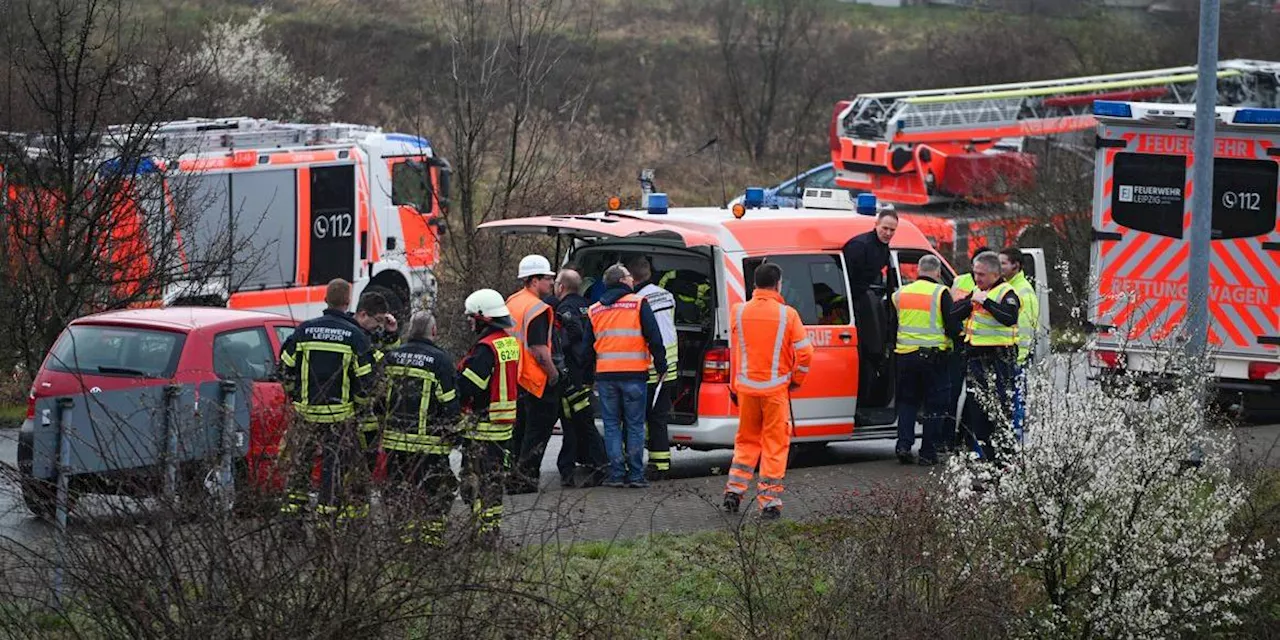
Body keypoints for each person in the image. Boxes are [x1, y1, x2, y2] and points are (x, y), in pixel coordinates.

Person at [277, 278, 376, 522]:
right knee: (332, 472)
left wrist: (295, 396)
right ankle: (326, 525)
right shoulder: (354, 336)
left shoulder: (303, 330)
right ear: (347, 302)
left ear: (325, 300)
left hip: (304, 415)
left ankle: (291, 524)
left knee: (299, 470)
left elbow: (284, 368)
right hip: (339, 418)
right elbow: (366, 382)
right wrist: (360, 409)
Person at [722, 262, 814, 520]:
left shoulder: (738, 312)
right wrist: (797, 379)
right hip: (775, 392)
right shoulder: (788, 315)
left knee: (746, 440)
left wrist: (735, 384)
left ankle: (734, 491)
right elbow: (806, 352)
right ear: (778, 284)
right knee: (774, 445)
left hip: (747, 390)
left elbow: (737, 350)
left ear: (754, 284)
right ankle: (769, 502)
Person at [582, 264, 667, 488]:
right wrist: (661, 365)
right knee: (635, 425)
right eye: (629, 277)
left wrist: (585, 377)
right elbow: (654, 338)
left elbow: (586, 350)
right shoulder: (638, 304)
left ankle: (617, 474)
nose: (632, 280)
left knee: (611, 425)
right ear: (621, 281)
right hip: (634, 375)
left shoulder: (594, 310)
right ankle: (636, 476)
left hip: (606, 377)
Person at [378, 311, 458, 545]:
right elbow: (449, 402)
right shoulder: (441, 361)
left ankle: (403, 540)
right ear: (433, 331)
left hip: (395, 442)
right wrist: (453, 432)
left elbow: (379, 397)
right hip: (430, 445)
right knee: (436, 493)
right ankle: (430, 542)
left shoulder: (393, 357)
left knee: (400, 491)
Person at [456, 289, 522, 546]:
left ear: (483, 318)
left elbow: (470, 387)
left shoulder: (484, 349)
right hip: (502, 425)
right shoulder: (507, 342)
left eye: (472, 318)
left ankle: (482, 532)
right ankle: (491, 527)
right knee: (493, 480)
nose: (470, 322)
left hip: (483, 426)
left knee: (476, 481)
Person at [890, 255, 963, 466]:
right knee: (935, 405)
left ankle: (903, 445)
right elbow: (952, 325)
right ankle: (928, 453)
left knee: (907, 402)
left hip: (904, 356)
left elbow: (893, 325)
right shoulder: (941, 292)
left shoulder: (900, 294)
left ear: (918, 271)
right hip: (934, 358)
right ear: (938, 273)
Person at [951, 251, 1020, 465]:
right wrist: (971, 302)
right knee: (977, 412)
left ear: (994, 274)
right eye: (975, 273)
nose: (977, 278)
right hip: (976, 360)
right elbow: (953, 313)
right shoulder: (977, 290)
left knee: (999, 411)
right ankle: (985, 460)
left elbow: (1009, 317)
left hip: (999, 360)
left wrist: (987, 302)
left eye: (981, 274)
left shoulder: (1006, 292)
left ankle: (1003, 462)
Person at [505, 254, 561, 494]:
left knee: (518, 432)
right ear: (534, 280)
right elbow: (538, 349)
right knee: (536, 434)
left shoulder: (512, 302)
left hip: (515, 378)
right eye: (548, 278)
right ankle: (526, 480)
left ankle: (513, 477)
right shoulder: (538, 308)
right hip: (535, 380)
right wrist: (554, 373)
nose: (551, 283)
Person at [548, 267, 608, 488]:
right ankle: (573, 465)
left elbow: (565, 345)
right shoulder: (590, 307)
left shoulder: (563, 310)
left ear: (561, 287)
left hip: (571, 376)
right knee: (579, 422)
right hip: (587, 374)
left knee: (576, 422)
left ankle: (594, 466)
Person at [625, 255, 678, 481]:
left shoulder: (636, 301)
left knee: (637, 418)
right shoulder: (666, 294)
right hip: (671, 364)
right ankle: (661, 464)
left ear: (632, 278)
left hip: (650, 365)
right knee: (658, 418)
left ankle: (635, 464)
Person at [349, 291, 399, 490]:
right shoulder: (355, 337)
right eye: (377, 320)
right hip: (356, 418)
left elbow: (391, 360)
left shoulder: (369, 335)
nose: (379, 325)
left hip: (370, 418)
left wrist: (391, 333)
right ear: (362, 315)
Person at [943, 245, 988, 453]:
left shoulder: (994, 285)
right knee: (952, 393)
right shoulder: (961, 281)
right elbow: (950, 310)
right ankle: (948, 439)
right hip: (959, 343)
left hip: (977, 346)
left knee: (973, 396)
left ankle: (966, 440)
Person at [999, 247, 1039, 441]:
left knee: (1015, 402)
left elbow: (1024, 329)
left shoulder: (1022, 292)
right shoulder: (1010, 287)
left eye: (1003, 263)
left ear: (1016, 266)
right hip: (1009, 355)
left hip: (1016, 357)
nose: (999, 267)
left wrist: (1018, 356)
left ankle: (1014, 441)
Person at [841, 209, 898, 303]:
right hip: (849, 299)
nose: (888, 233)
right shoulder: (859, 246)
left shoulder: (883, 247)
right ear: (876, 224)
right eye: (885, 228)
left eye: (892, 230)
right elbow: (849, 279)